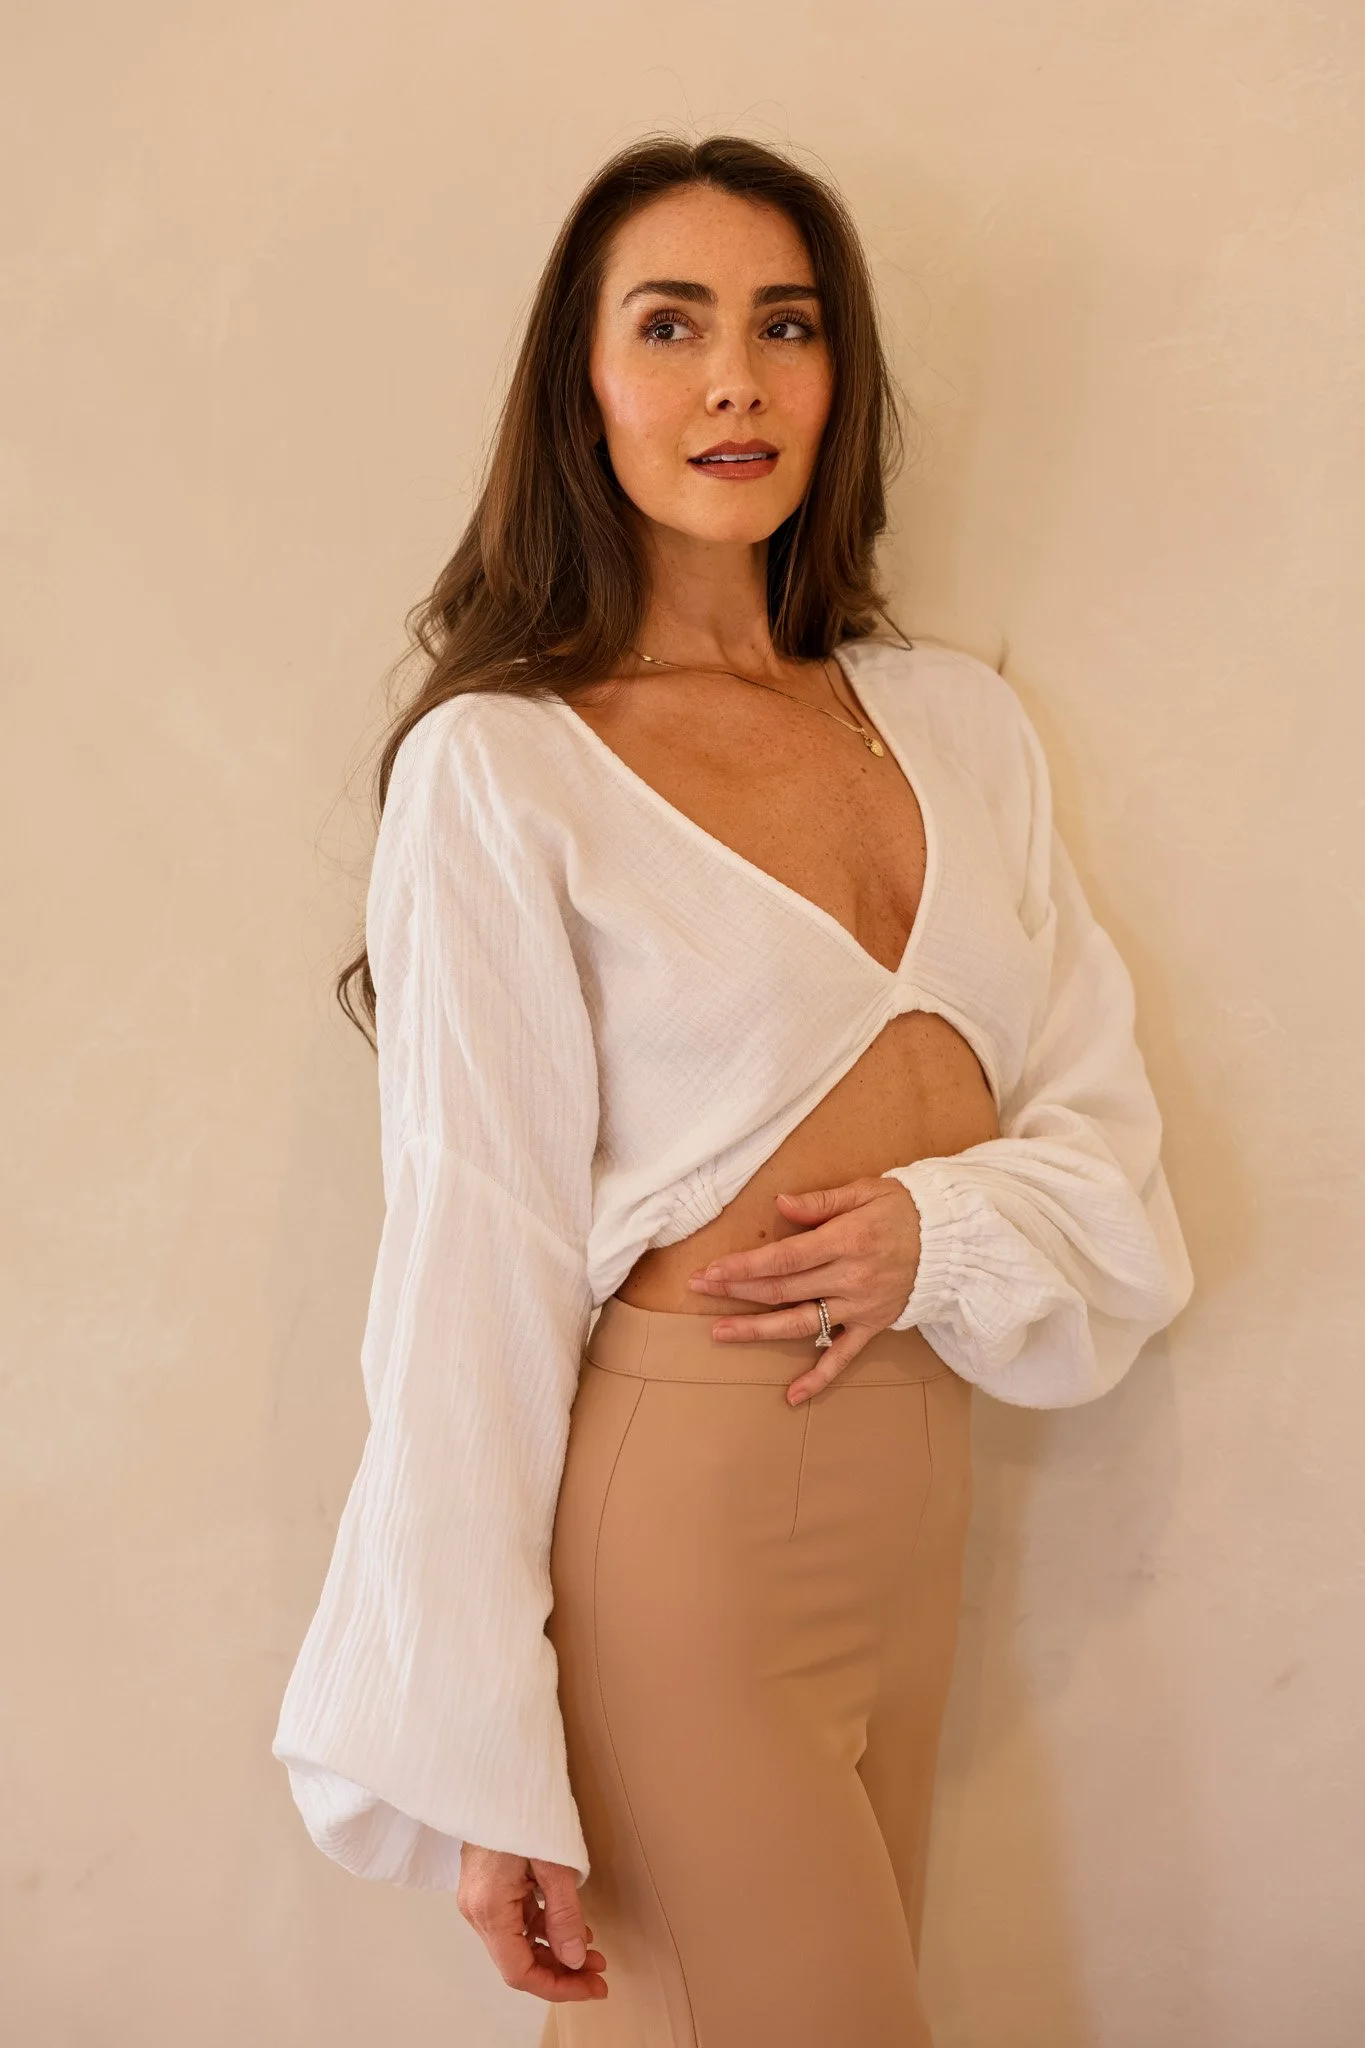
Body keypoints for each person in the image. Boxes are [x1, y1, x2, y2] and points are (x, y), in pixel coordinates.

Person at [271, 134, 1195, 2046]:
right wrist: (479, 1751)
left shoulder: (957, 727)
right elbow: (468, 1262)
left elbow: (1108, 1157)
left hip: (918, 1519)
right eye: (670, 325)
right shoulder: (506, 768)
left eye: (786, 326)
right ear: (582, 383)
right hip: (680, 1526)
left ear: (839, 377)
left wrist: (939, 1229)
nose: (734, 382)